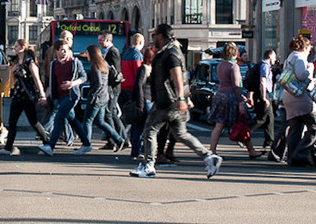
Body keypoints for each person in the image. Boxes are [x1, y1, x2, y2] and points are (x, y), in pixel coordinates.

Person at [131, 24, 222, 179]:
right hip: (172, 100)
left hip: (167, 100)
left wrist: (181, 98)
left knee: (149, 130)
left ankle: (149, 166)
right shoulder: (168, 52)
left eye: (154, 36)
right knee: (181, 134)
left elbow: (178, 76)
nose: (152, 39)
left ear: (161, 36)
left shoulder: (170, 54)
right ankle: (209, 157)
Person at [36, 39, 92, 157]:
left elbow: (83, 77)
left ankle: (50, 146)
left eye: (66, 50)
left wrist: (72, 84)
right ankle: (86, 144)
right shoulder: (53, 65)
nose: (64, 53)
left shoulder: (75, 63)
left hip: (71, 96)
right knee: (72, 119)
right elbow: (52, 84)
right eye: (62, 50)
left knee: (59, 117)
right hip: (59, 96)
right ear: (56, 51)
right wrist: (45, 97)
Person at [207, 42, 263, 159]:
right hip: (231, 97)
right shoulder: (233, 66)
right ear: (235, 53)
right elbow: (236, 86)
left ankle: (212, 149)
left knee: (219, 124)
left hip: (220, 95)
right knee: (243, 123)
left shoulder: (220, 65)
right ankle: (251, 150)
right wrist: (241, 102)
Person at [0, 40, 49, 156]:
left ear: (23, 47)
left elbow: (36, 79)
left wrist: (42, 94)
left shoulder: (30, 62)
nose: (14, 48)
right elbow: (13, 80)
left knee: (33, 121)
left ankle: (47, 143)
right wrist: (12, 71)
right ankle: (8, 147)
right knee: (12, 121)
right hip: (18, 94)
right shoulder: (16, 63)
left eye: (16, 46)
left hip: (27, 96)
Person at [279, 34, 316, 167]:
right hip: (300, 97)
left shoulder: (289, 58)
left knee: (295, 128)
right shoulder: (299, 58)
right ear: (305, 47)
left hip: (288, 96)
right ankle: (300, 153)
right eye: (309, 49)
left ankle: (292, 157)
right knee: (315, 126)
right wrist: (310, 68)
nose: (309, 52)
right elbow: (302, 75)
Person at [81, 44, 125, 153]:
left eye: (87, 53)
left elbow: (99, 84)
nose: (86, 56)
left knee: (87, 121)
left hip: (96, 98)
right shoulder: (104, 64)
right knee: (100, 122)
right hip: (105, 97)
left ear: (92, 54)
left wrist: (91, 94)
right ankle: (119, 139)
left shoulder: (96, 66)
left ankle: (86, 144)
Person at [98, 32, 127, 147]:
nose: (99, 42)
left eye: (101, 40)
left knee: (109, 114)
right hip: (111, 87)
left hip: (112, 88)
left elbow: (115, 71)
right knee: (113, 114)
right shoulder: (108, 52)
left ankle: (113, 140)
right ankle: (123, 138)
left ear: (108, 40)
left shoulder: (113, 52)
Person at [250, 49, 276, 151]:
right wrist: (264, 97)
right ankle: (244, 132)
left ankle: (269, 141)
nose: (275, 59)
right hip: (262, 94)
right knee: (262, 118)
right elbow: (262, 81)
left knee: (270, 117)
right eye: (274, 57)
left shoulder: (264, 65)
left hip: (263, 93)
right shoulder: (265, 65)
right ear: (269, 57)